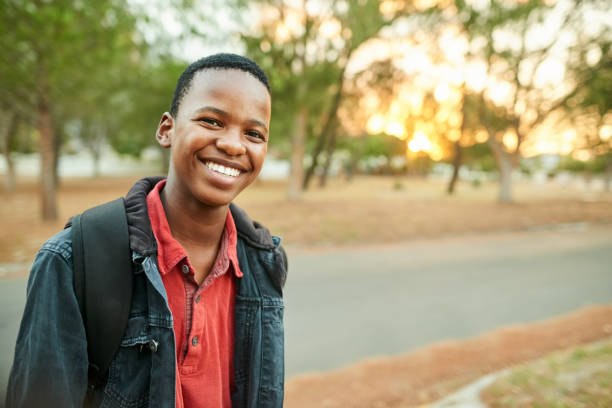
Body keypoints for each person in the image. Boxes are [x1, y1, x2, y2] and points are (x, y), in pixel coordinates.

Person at [6, 53, 287, 408]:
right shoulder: (73, 260)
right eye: (212, 121)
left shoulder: (264, 262)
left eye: (253, 133)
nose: (234, 144)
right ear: (166, 129)